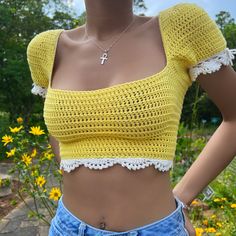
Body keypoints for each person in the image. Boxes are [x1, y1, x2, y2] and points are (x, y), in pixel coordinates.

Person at [26, 0, 236, 235]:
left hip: (155, 229)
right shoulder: (45, 49)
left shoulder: (180, 27)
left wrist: (183, 196)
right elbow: (58, 133)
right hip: (67, 227)